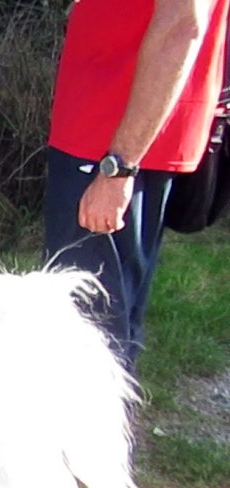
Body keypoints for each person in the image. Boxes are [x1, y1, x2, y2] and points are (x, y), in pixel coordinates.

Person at [45, 0, 229, 373]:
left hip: (110, 143)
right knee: (102, 322)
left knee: (84, 331)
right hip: (104, 133)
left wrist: (119, 166)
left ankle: (87, 430)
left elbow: (182, 27)